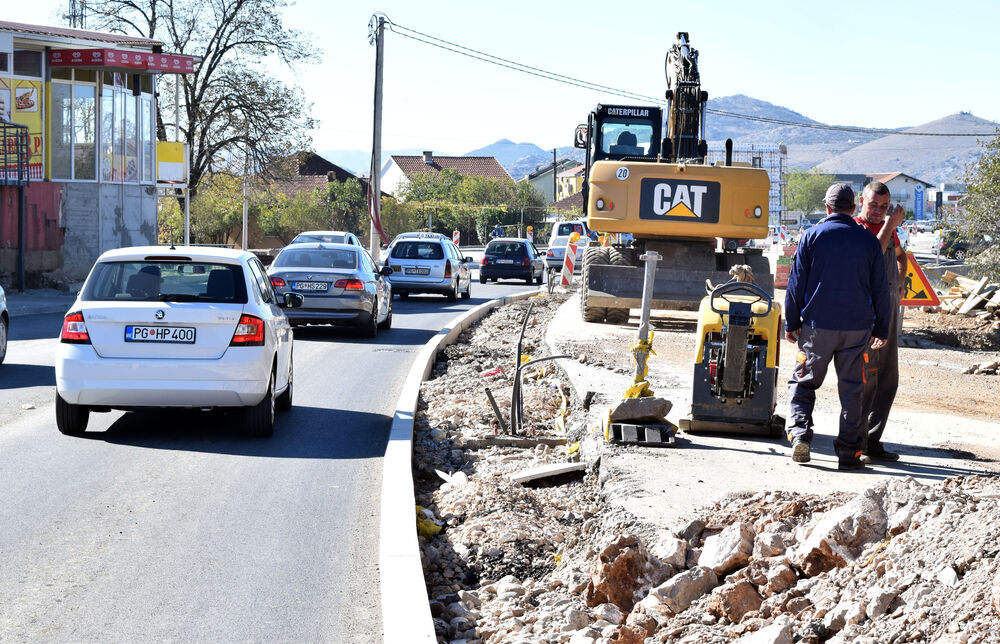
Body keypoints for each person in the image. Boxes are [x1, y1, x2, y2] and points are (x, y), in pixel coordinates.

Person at [784, 183, 892, 470]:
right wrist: (882, 328)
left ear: (827, 208)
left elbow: (796, 284)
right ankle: (849, 453)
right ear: (853, 208)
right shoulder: (868, 242)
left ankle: (800, 436)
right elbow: (880, 289)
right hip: (857, 330)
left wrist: (791, 322)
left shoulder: (811, 236)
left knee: (804, 382)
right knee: (853, 390)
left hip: (818, 328)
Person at [855, 181, 907, 462]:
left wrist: (902, 278)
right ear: (860, 202)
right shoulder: (856, 229)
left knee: (888, 378)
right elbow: (875, 251)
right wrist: (891, 223)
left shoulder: (890, 229)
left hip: (888, 313)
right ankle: (857, 443)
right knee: (866, 379)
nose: (878, 211)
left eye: (884, 207)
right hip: (866, 316)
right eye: (873, 205)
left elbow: (899, 255)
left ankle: (873, 440)